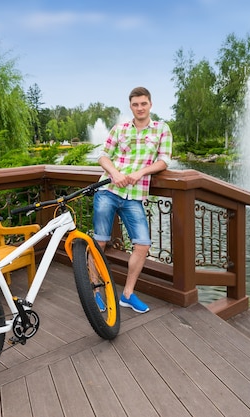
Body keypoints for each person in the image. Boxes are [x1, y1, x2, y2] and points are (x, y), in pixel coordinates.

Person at [93, 86, 172, 313]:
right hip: (108, 190)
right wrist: (115, 174)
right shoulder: (120, 129)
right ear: (130, 106)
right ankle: (96, 291)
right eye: (135, 104)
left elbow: (164, 160)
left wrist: (141, 172)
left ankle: (127, 294)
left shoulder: (161, 129)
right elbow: (102, 155)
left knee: (143, 244)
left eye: (143, 104)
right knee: (99, 242)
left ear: (150, 104)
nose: (140, 108)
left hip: (134, 196)